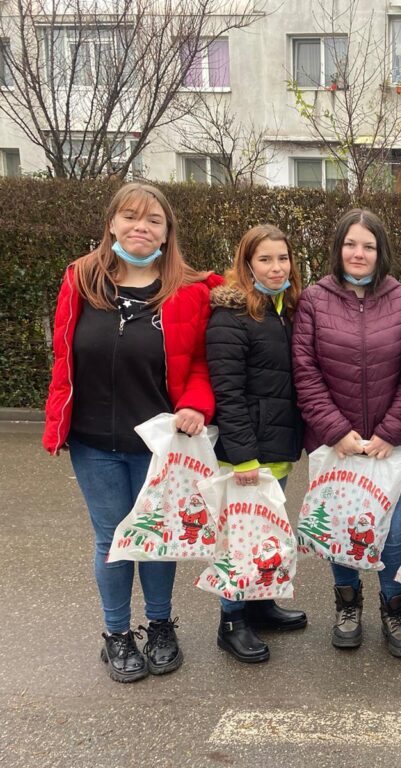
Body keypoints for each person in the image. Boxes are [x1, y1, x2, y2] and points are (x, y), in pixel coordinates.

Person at [43, 183, 223, 683]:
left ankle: (161, 626)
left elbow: (203, 363)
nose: (141, 227)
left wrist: (196, 404)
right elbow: (63, 355)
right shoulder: (81, 279)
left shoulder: (189, 291)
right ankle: (117, 634)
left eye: (153, 220)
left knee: (157, 537)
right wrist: (57, 419)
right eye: (130, 216)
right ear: (112, 224)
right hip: (93, 442)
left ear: (167, 233)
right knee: (113, 539)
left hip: (158, 444)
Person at [292, 209, 401, 657]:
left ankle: (394, 609)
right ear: (338, 248)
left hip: (390, 447)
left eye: (368, 245)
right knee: (341, 529)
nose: (359, 253)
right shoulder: (314, 299)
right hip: (336, 447)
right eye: (351, 244)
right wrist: (335, 430)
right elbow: (304, 371)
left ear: (381, 251)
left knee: (395, 534)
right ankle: (348, 606)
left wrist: (392, 430)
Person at [205, 224, 308, 663]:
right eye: (265, 259)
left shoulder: (284, 310)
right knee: (241, 539)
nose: (276, 267)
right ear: (246, 265)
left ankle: (260, 604)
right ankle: (231, 622)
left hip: (276, 448)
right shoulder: (230, 316)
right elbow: (227, 393)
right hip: (245, 456)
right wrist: (243, 457)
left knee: (266, 534)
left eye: (282, 258)